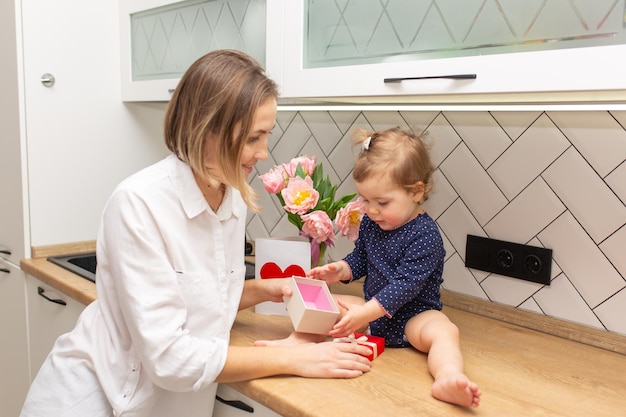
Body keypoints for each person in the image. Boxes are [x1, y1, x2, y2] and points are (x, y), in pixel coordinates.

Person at [19, 50, 372, 417]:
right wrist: (293, 357)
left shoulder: (230, 195)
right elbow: (169, 359)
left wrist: (264, 290)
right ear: (207, 129)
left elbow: (198, 294)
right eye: (253, 137)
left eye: (267, 135)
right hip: (94, 401)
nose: (264, 152)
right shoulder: (139, 203)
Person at [261, 127, 481, 408]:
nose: (371, 210)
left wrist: (365, 312)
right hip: (372, 312)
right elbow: (362, 258)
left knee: (445, 332)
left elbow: (406, 286)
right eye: (365, 200)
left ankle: (448, 377)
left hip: (415, 316)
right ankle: (297, 342)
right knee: (328, 303)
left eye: (382, 202)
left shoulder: (425, 235)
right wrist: (341, 269)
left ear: (416, 192)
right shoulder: (371, 222)